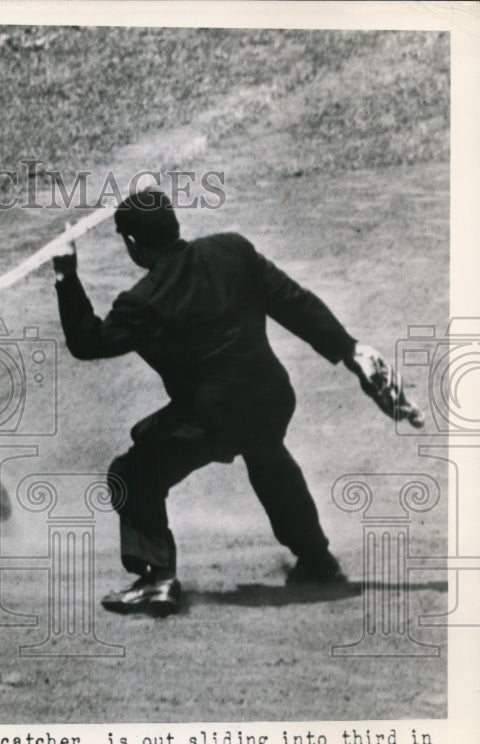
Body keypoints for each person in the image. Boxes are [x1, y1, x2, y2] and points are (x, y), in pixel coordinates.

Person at [51, 186, 422, 617]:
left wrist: (66, 275)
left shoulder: (142, 301)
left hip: (211, 416)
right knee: (266, 454)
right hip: (271, 398)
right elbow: (293, 303)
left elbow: (88, 342)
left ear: (133, 244)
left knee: (132, 472)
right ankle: (317, 559)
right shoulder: (233, 250)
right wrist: (349, 349)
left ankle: (157, 578)